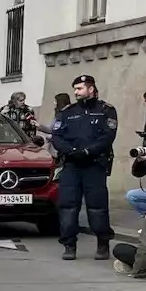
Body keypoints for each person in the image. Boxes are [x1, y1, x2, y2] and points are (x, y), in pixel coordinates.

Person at [51, 74, 118, 260]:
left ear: (91, 89)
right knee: (68, 206)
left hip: (94, 165)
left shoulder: (106, 110)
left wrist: (89, 151)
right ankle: (69, 245)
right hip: (72, 165)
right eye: (75, 89)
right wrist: (71, 151)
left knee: (97, 206)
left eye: (79, 88)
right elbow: (56, 136)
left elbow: (107, 137)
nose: (76, 92)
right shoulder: (67, 112)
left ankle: (103, 243)